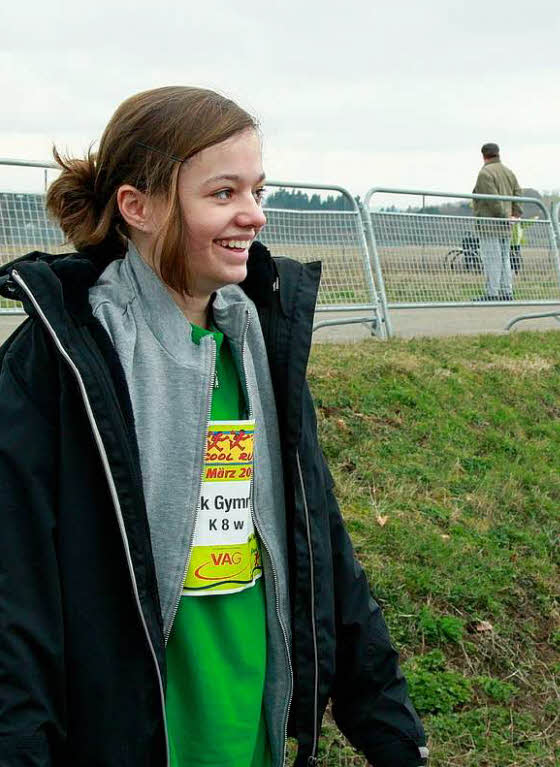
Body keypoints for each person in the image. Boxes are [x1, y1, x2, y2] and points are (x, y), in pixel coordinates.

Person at [0, 86, 427, 766]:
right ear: (137, 207)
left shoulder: (260, 341)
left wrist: (394, 734)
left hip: (249, 737)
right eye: (223, 193)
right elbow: (14, 602)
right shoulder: (60, 363)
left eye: (258, 190)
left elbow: (324, 547)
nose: (254, 215)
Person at [471, 142, 522, 301]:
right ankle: (507, 292)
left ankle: (492, 293)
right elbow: (518, 194)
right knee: (505, 259)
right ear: (498, 154)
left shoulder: (485, 174)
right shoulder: (509, 172)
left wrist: (504, 216)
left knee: (492, 260)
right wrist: (514, 215)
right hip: (507, 226)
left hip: (490, 225)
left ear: (483, 155)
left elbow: (493, 200)